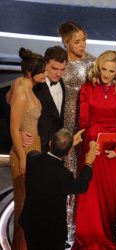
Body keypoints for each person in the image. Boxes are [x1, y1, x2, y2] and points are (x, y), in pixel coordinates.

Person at [72, 50, 116, 249]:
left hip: (114, 149)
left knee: (110, 198)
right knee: (89, 195)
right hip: (92, 147)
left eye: (111, 71)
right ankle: (87, 238)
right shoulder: (88, 88)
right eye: (104, 69)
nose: (106, 74)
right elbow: (84, 120)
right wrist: (90, 143)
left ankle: (106, 235)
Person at [19, 129, 98, 250]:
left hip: (30, 222)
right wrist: (88, 163)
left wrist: (68, 145)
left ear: (50, 143)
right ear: (67, 153)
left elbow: (39, 156)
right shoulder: (64, 175)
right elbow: (82, 186)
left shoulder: (32, 159)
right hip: (51, 231)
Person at [58, 20, 95, 241]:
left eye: (84, 40)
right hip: (60, 124)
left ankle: (72, 229)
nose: (82, 45)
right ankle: (60, 224)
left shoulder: (91, 62)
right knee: (62, 172)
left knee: (77, 173)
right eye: (77, 41)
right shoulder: (57, 61)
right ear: (66, 42)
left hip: (82, 125)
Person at [8, 48, 46, 250]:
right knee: (23, 208)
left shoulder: (20, 83)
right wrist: (22, 157)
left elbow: (7, 99)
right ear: (31, 74)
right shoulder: (22, 92)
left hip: (34, 148)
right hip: (24, 153)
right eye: (43, 72)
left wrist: (24, 127)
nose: (46, 75)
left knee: (30, 206)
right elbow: (13, 128)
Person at [34, 46, 67, 152]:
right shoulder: (35, 85)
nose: (58, 73)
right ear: (45, 64)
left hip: (56, 148)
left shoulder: (62, 83)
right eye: (54, 68)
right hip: (37, 146)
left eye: (62, 69)